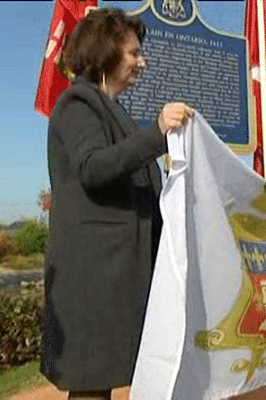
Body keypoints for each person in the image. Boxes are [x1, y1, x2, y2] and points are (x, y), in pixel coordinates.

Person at [41, 8, 193, 399]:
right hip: (94, 277)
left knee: (104, 381)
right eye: (134, 53)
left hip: (118, 273)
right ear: (106, 52)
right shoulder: (78, 104)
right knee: (91, 385)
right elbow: (93, 167)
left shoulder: (115, 111)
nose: (143, 62)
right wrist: (156, 133)